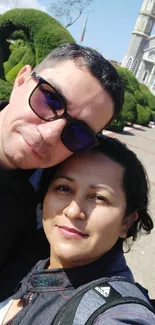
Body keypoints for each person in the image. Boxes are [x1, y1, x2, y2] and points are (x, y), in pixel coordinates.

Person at [0, 43, 124, 301]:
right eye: (49, 99)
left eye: (78, 133)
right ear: (21, 80)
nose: (48, 134)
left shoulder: (57, 187)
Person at [1, 135, 154, 325]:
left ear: (127, 222)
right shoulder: (27, 257)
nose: (73, 211)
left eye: (99, 197)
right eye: (64, 188)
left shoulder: (115, 312)